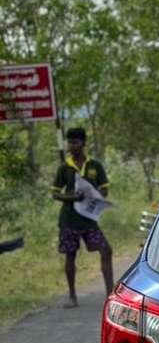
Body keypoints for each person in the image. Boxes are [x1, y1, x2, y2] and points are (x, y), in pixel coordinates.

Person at [50, 127, 114, 307]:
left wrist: (95, 194)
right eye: (69, 142)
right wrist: (73, 197)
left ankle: (110, 295)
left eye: (75, 142)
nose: (72, 146)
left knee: (106, 251)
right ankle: (72, 296)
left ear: (84, 144)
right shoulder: (65, 168)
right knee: (70, 256)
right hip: (69, 219)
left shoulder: (95, 166)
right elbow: (55, 193)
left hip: (88, 219)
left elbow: (105, 189)